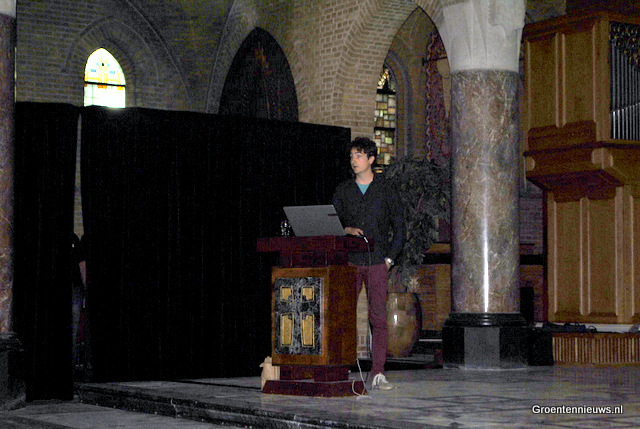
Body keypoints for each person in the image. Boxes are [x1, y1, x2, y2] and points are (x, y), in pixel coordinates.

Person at [332, 136, 404, 390]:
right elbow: (331, 223)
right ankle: (339, 368)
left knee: (378, 318)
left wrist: (389, 260)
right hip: (350, 263)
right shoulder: (343, 190)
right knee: (343, 315)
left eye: (359, 156)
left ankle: (378, 373)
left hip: (377, 262)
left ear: (371, 159)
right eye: (352, 156)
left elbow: (400, 228)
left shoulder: (386, 189)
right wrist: (346, 229)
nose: (354, 160)